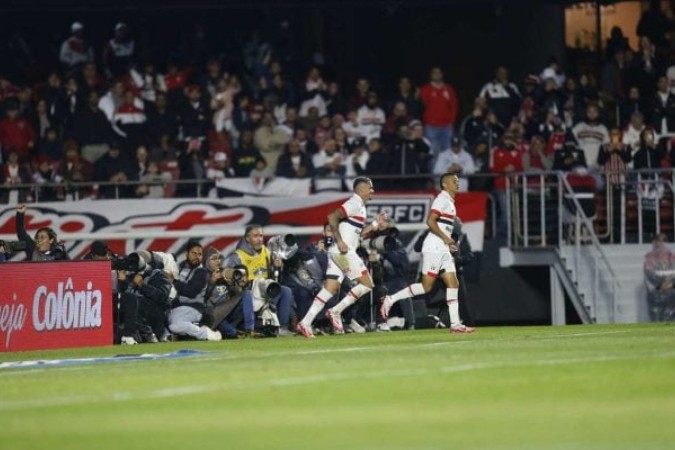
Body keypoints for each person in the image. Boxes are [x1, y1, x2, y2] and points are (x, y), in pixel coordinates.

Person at [380, 170, 475, 334]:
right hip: (434, 247)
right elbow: (430, 221)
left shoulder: (450, 202)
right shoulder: (442, 199)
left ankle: (455, 324)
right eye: (454, 181)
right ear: (445, 184)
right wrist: (446, 239)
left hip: (442, 247)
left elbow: (441, 225)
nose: (457, 183)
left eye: (458, 181)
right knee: (426, 287)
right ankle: (391, 299)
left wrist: (449, 243)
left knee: (453, 283)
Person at [296, 177, 388, 338]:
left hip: (336, 252)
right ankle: (335, 311)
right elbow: (332, 217)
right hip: (343, 252)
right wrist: (339, 241)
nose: (372, 190)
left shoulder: (360, 207)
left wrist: (374, 225)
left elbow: (358, 233)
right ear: (361, 190)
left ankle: (305, 322)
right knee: (367, 284)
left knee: (329, 289)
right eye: (370, 188)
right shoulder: (354, 202)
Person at [224, 225, 295, 336]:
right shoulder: (237, 256)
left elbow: (276, 275)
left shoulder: (266, 252)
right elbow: (229, 278)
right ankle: (253, 327)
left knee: (286, 291)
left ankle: (282, 328)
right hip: (249, 292)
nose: (260, 239)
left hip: (266, 289)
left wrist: (278, 266)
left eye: (261, 236)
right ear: (247, 238)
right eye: (255, 236)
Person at [168, 240, 222, 341]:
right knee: (168, 323)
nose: (197, 256)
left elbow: (191, 292)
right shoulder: (180, 268)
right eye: (193, 253)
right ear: (186, 254)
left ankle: (205, 334)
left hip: (192, 308)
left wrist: (174, 281)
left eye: (200, 254)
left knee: (174, 326)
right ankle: (192, 330)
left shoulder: (202, 272)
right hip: (174, 307)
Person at [116, 251, 172, 345]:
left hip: (156, 316)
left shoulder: (160, 275)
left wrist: (142, 285)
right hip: (137, 318)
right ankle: (138, 335)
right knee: (127, 302)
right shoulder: (131, 276)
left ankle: (149, 333)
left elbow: (162, 297)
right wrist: (123, 282)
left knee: (135, 301)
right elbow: (126, 296)